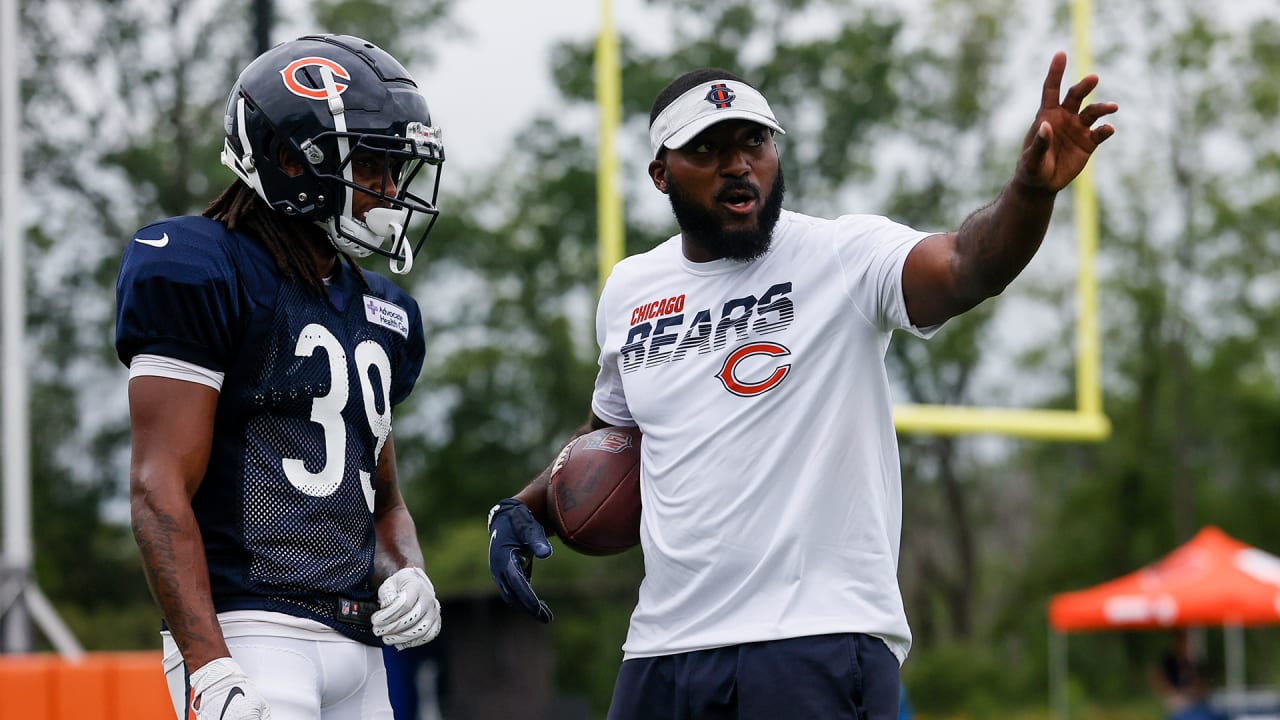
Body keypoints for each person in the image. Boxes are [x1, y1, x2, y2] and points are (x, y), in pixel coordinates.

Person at [488, 51, 1117, 720]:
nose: (738, 164)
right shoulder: (630, 291)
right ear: (661, 173)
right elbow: (612, 435)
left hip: (813, 639)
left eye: (753, 141)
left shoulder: (840, 255)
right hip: (664, 650)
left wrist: (1029, 190)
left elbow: (967, 265)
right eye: (708, 148)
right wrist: (526, 506)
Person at [116, 34, 445, 720]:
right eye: (375, 168)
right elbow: (157, 488)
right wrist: (209, 668)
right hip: (252, 633)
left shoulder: (382, 310)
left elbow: (380, 501)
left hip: (358, 648)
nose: (388, 193)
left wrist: (408, 570)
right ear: (295, 163)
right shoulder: (201, 265)